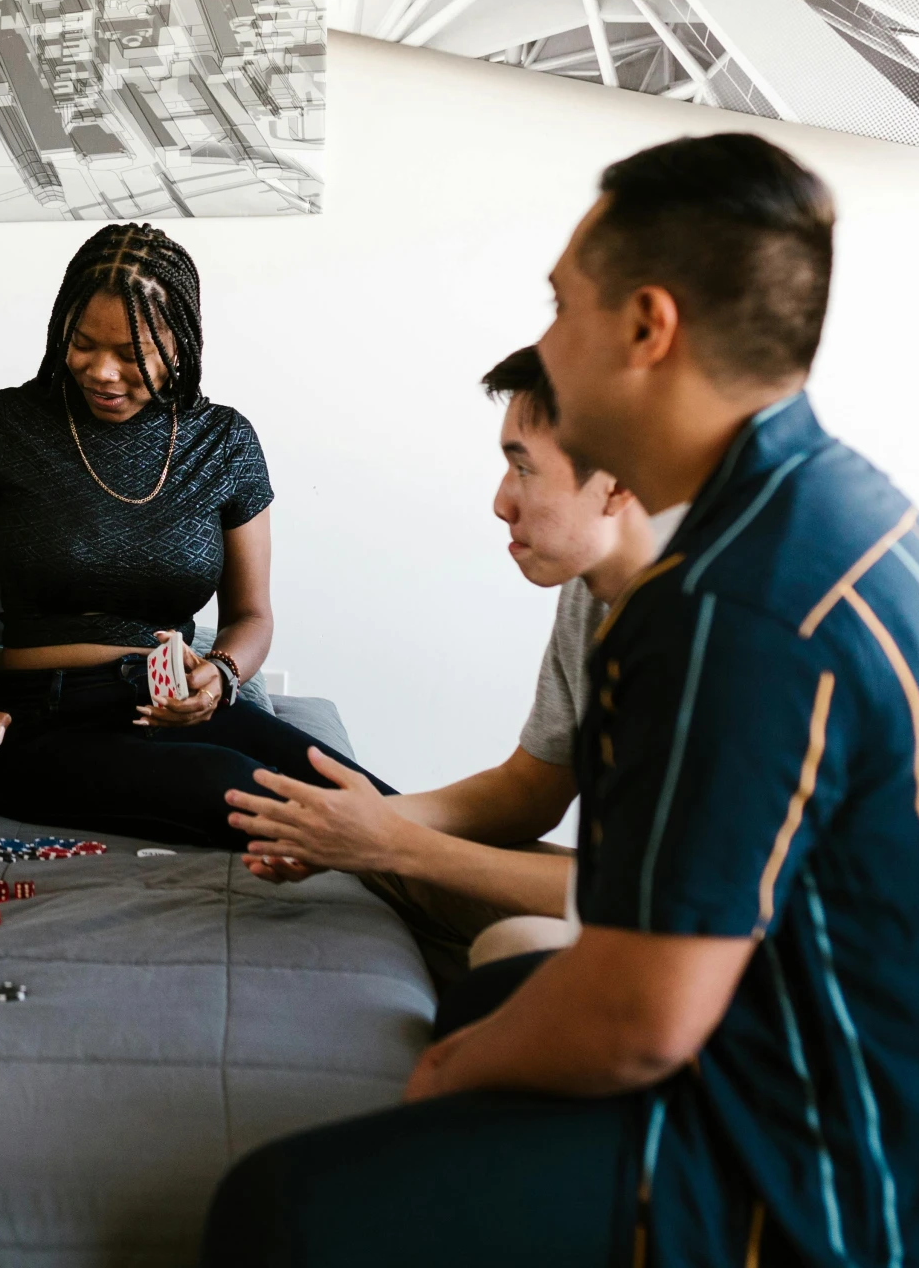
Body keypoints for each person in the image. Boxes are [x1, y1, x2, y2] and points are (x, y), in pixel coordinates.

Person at [205, 134, 919, 1268]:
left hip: (866, 1197)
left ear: (645, 327)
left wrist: (446, 1079)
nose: (546, 343)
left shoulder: (729, 605)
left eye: (560, 307)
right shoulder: (839, 509)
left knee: (280, 1209)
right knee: (487, 1005)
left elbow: (639, 1017)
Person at [0, 222, 389, 849]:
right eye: (82, 343)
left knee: (367, 798)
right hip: (40, 723)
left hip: (169, 705)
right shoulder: (2, 426)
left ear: (182, 344)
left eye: (132, 354)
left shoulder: (224, 443)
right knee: (248, 790)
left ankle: (523, 904)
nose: (103, 372)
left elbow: (251, 615)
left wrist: (221, 676)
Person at [227, 346, 661, 987]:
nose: (501, 501)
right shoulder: (587, 594)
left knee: (503, 937)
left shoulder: (703, 625)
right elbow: (529, 791)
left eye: (524, 468)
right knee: (382, 871)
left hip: (703, 942)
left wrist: (391, 842)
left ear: (617, 484)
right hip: (630, 895)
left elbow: (646, 894)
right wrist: (357, 823)